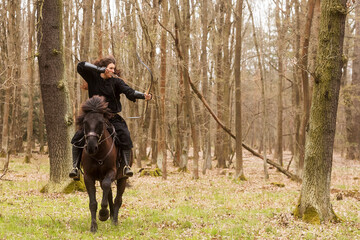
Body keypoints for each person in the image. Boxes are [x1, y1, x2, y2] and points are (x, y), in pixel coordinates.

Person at [69, 56, 152, 180]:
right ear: (103, 68)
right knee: (78, 137)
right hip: (94, 117)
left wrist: (143, 96)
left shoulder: (116, 82)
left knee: (125, 135)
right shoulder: (93, 78)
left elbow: (129, 91)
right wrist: (98, 70)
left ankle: (125, 167)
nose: (113, 71)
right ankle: (75, 167)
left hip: (112, 118)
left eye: (114, 68)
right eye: (110, 68)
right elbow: (81, 66)